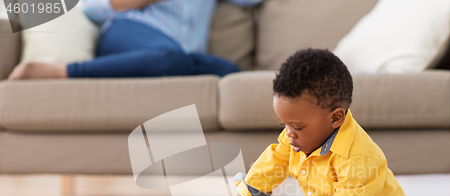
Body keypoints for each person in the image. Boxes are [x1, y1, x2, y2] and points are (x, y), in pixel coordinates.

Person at [198, 48, 421, 196]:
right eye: (284, 125)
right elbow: (266, 171)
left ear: (336, 118)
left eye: (297, 127)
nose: (289, 134)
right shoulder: (293, 138)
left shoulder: (358, 158)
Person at [8, 0, 262, 80]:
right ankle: (60, 72)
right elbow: (91, 8)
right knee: (170, 58)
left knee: (228, 70)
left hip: (182, 53)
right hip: (128, 31)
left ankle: (173, 62)